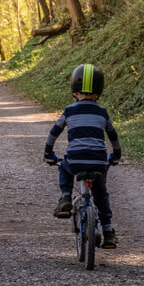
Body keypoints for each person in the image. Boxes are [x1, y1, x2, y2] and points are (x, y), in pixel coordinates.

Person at [44, 63, 123, 248]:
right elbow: (114, 137)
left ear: (74, 91)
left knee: (64, 167)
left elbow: (53, 132)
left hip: (75, 160)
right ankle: (109, 231)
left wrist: (48, 153)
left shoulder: (69, 111)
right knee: (100, 193)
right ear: (99, 91)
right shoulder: (103, 113)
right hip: (98, 161)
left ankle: (65, 197)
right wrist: (116, 156)